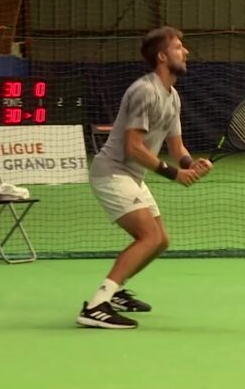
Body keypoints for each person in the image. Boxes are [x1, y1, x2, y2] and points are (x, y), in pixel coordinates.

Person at [76, 26, 212, 329]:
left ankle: (118, 291)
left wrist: (192, 164)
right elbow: (133, 147)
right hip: (112, 172)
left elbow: (176, 147)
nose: (185, 51)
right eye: (178, 47)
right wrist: (175, 174)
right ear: (162, 56)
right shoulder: (144, 91)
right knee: (148, 236)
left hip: (132, 175)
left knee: (160, 241)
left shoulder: (172, 96)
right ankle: (96, 305)